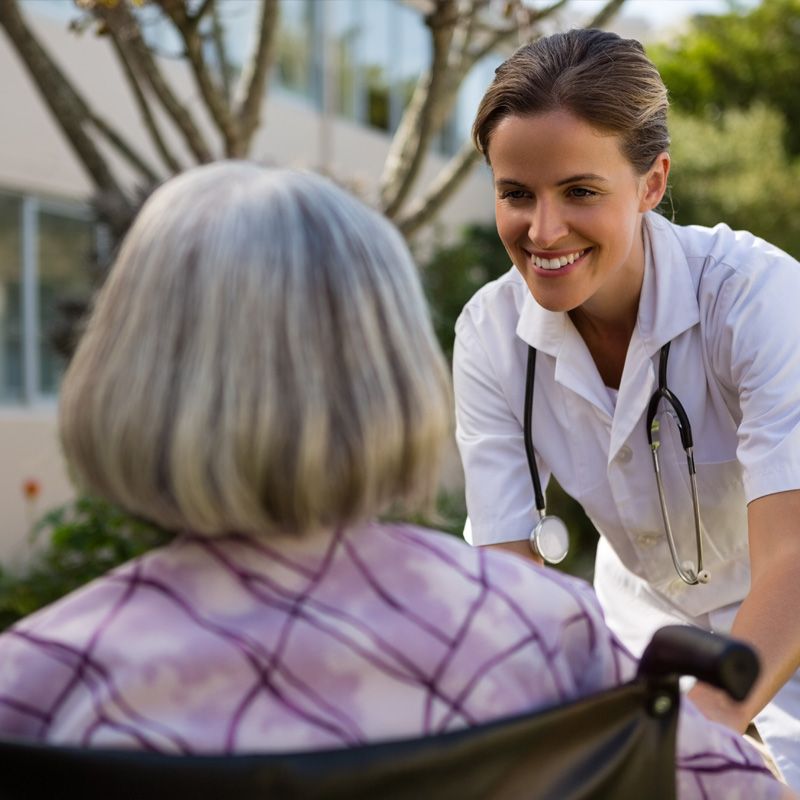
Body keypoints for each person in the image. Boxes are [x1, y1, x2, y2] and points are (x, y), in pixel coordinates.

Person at [0, 162, 787, 799]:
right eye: (517, 193)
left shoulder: (32, 686)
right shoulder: (544, 642)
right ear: (390, 374)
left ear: (120, 371)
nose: (543, 225)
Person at [453, 25, 800, 789]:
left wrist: (698, 733)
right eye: (516, 194)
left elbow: (793, 562)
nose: (542, 232)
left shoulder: (755, 298)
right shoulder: (490, 335)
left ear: (651, 183)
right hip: (644, 639)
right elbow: (506, 585)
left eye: (580, 191)